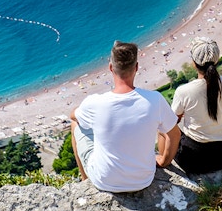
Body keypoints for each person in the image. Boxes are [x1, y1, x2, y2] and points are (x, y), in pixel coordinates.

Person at [70, 40, 180, 193]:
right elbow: (174, 135)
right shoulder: (155, 100)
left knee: (75, 124)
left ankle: (85, 180)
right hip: (143, 179)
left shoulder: (95, 103)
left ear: (110, 68)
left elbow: (73, 115)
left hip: (105, 181)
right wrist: (163, 160)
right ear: (136, 68)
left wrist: (81, 109)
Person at [171, 37, 222, 174]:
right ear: (217, 60)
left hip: (194, 159)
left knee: (164, 126)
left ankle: (162, 160)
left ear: (194, 63)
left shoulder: (184, 91)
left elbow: (171, 122)